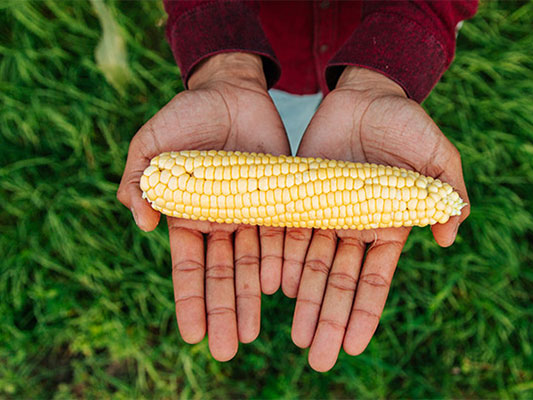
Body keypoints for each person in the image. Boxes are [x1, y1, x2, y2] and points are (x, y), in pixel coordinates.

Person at [117, 0, 476, 372]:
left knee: (308, 133)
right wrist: (227, 65)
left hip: (376, 48)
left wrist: (381, 74)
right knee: (277, 125)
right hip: (267, 60)